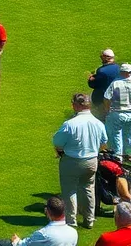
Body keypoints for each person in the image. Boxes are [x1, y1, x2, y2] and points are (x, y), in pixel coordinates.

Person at [53, 93, 109, 228]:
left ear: (77, 105)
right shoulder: (98, 123)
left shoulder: (70, 124)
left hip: (72, 161)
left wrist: (62, 151)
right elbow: (104, 142)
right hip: (91, 161)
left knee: (69, 190)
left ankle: (71, 221)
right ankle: (89, 219)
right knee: (88, 188)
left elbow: (58, 142)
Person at [0, 196, 77, 246]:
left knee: (9, 243)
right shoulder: (73, 233)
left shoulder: (44, 233)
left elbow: (22, 245)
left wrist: (16, 241)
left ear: (47, 212)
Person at [106, 65, 131, 163]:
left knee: (116, 135)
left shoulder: (115, 83)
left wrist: (107, 110)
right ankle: (128, 155)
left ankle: (118, 157)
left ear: (122, 72)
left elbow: (107, 98)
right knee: (128, 135)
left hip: (117, 112)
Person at [91, 50, 121, 120]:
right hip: (116, 98)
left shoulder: (102, 71)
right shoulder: (118, 68)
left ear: (106, 58)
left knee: (101, 117)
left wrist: (91, 79)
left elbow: (94, 84)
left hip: (102, 98)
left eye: (102, 56)